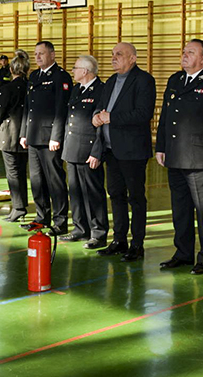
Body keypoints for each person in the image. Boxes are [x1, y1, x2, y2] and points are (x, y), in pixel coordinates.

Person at [155, 39, 203, 275]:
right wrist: (161, 146)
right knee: (180, 210)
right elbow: (166, 117)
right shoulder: (175, 80)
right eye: (183, 51)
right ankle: (183, 253)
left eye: (191, 52)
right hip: (176, 156)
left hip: (202, 160)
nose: (184, 55)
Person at [92, 42, 156, 262]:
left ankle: (137, 244)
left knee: (136, 199)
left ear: (132, 58)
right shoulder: (110, 81)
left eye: (119, 54)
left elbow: (143, 113)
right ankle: (119, 240)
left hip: (133, 151)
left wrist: (111, 118)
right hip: (111, 150)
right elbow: (100, 106)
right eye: (112, 54)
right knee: (116, 196)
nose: (114, 58)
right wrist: (96, 117)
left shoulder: (144, 80)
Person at [19, 41, 73, 235]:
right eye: (35, 54)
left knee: (54, 180)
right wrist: (23, 133)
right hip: (33, 136)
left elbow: (61, 109)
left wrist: (56, 136)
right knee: (36, 180)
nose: (38, 57)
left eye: (41, 53)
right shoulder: (33, 76)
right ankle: (42, 218)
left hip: (49, 137)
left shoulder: (60, 77)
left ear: (52, 55)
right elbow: (28, 107)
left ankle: (60, 221)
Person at [61, 55, 108, 249]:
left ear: (86, 71)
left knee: (93, 193)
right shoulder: (77, 89)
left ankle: (98, 233)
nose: (72, 71)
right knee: (76, 191)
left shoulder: (102, 90)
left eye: (75, 68)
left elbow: (101, 126)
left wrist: (97, 152)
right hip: (73, 147)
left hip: (89, 149)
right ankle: (80, 228)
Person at [0, 51, 30, 222]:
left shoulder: (7, 88)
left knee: (12, 173)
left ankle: (18, 207)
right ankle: (21, 205)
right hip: (27, 134)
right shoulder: (31, 86)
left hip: (9, 134)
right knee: (22, 171)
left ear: (11, 69)